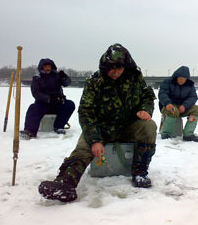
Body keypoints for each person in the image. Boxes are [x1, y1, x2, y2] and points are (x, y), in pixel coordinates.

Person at [38, 43, 157, 202]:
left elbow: (148, 97)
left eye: (119, 68)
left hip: (128, 126)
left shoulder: (136, 78)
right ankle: (65, 182)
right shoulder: (94, 81)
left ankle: (140, 173)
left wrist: (145, 109)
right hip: (101, 127)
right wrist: (95, 140)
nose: (115, 72)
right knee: (83, 147)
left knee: (149, 126)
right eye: (111, 68)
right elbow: (86, 112)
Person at [20, 58, 75, 139]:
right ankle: (30, 131)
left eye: (49, 66)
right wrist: (48, 99)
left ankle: (59, 126)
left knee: (70, 104)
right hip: (43, 104)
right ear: (41, 67)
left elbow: (67, 83)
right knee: (33, 108)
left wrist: (64, 77)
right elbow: (35, 93)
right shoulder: (37, 78)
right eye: (45, 66)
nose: (47, 68)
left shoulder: (57, 75)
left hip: (58, 102)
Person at [158, 66, 198, 142]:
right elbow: (162, 94)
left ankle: (188, 134)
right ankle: (166, 134)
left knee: (196, 109)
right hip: (168, 106)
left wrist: (185, 105)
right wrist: (167, 103)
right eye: (180, 78)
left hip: (182, 108)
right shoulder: (167, 82)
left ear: (187, 79)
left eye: (184, 78)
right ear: (176, 77)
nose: (181, 80)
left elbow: (193, 97)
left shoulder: (190, 85)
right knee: (174, 110)